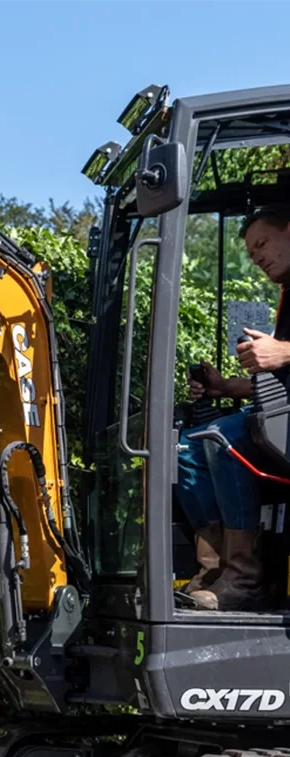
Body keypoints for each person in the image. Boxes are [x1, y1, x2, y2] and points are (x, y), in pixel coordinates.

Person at [176, 205, 290, 611]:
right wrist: (224, 386)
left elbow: (284, 361)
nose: (257, 256)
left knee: (226, 437)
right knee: (188, 448)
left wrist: (283, 351)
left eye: (262, 244)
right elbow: (279, 385)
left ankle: (244, 578)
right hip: (279, 420)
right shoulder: (286, 296)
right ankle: (214, 568)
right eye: (251, 251)